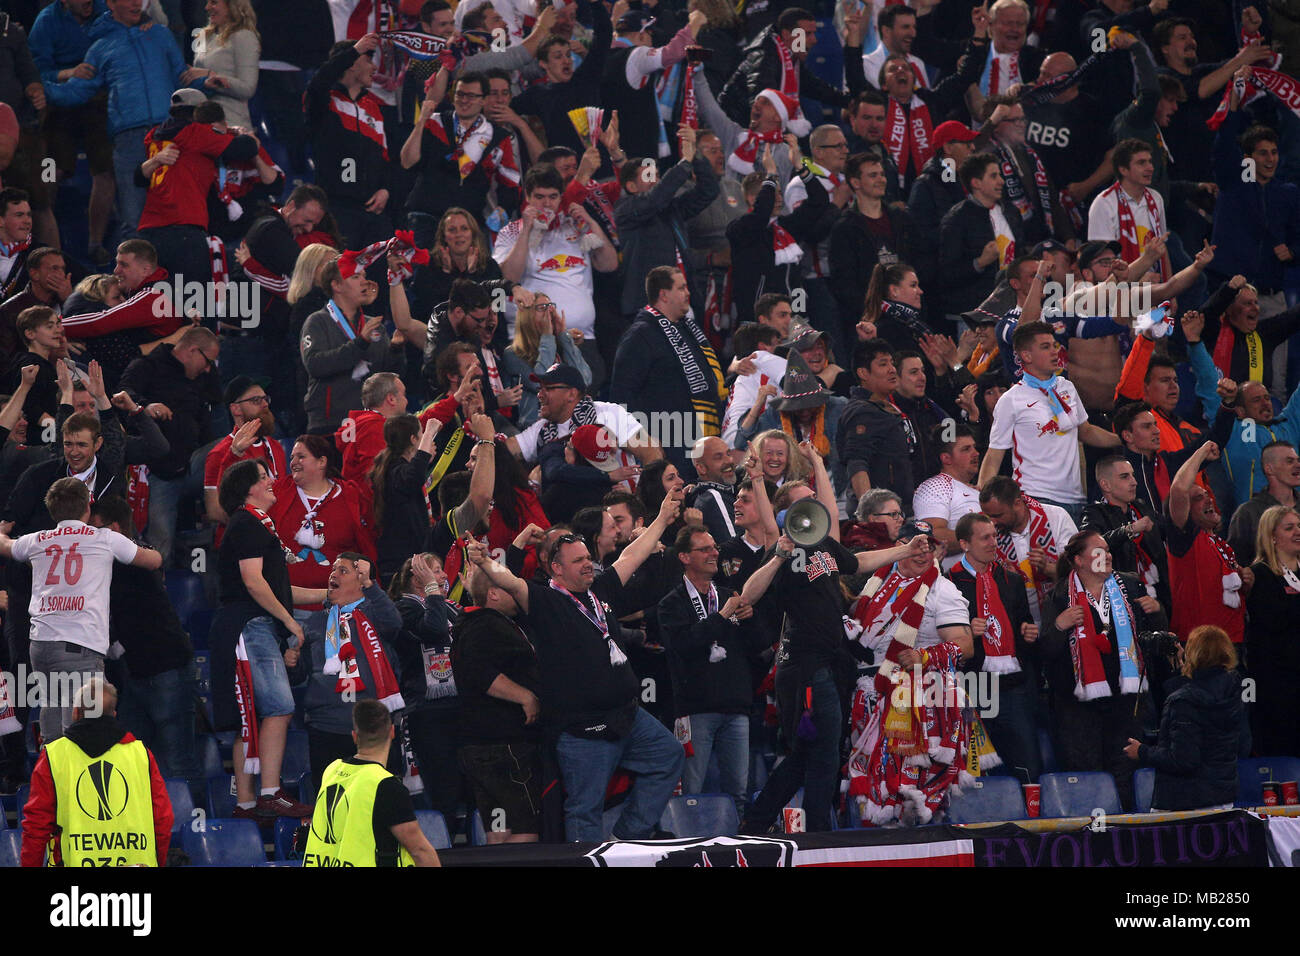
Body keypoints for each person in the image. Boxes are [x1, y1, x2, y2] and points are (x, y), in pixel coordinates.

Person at [464, 487, 685, 843]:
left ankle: (628, 839)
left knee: (669, 756)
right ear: (556, 568)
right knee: (585, 809)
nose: (588, 564)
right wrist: (484, 561)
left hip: (628, 717)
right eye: (579, 560)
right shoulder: (544, 600)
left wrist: (661, 517)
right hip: (583, 731)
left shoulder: (600, 591)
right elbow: (510, 581)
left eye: (587, 556)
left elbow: (632, 554)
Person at [739, 459, 935, 832]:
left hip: (829, 663)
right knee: (825, 752)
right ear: (786, 515)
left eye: (814, 498)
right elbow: (749, 594)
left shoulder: (824, 544)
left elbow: (856, 562)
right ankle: (818, 837)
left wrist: (903, 550)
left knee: (804, 755)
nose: (813, 506)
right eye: (803, 502)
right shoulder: (782, 552)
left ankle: (755, 820)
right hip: (804, 669)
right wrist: (779, 552)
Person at [0, 476, 160, 742]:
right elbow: (153, 560)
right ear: (87, 508)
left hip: (41, 646)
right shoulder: (104, 538)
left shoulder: (38, 539)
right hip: (79, 644)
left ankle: (51, 776)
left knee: (52, 718)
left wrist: (2, 531)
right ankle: (76, 781)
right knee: (86, 730)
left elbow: (5, 546)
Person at [211, 459, 321, 820]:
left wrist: (325, 594)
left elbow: (277, 588)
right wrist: (290, 622)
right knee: (279, 706)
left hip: (246, 623)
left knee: (254, 717)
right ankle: (270, 792)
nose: (272, 481)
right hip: (251, 625)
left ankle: (245, 803)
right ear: (249, 489)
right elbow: (254, 582)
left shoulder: (251, 524)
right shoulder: (247, 523)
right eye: (263, 477)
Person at [1039, 530, 1167, 809]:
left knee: (1125, 770)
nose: (1107, 555)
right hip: (1078, 709)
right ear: (1079, 561)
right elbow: (1045, 652)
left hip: (1125, 702)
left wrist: (1158, 611)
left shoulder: (1131, 586)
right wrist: (1060, 626)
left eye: (1108, 550)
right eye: (1099, 551)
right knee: (1087, 771)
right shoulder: (1060, 596)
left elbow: (1156, 637)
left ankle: (1128, 837)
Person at [43, 0, 185, 242]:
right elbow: (76, 92)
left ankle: (175, 277)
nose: (136, 3)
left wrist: (209, 78)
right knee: (134, 221)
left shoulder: (159, 35)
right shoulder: (100, 48)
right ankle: (139, 279)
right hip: (128, 141)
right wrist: (37, 86)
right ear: (111, 3)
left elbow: (183, 78)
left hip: (169, 135)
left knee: (180, 216)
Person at [89, 495, 201, 795]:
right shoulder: (131, 557)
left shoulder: (133, 562)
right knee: (131, 760)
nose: (91, 537)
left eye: (95, 529)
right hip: (136, 672)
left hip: (166, 670)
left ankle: (192, 828)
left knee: (178, 761)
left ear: (114, 529)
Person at [657, 524, 764, 815]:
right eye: (704, 549)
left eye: (714, 547)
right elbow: (685, 645)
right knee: (690, 790)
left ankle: (738, 850)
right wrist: (722, 615)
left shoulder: (729, 595)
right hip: (695, 709)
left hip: (736, 706)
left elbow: (755, 647)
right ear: (684, 557)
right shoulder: (671, 604)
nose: (714, 553)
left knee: (738, 792)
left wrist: (751, 618)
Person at [20, 677, 173, 867]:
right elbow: (163, 820)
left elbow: (36, 826)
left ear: (75, 713)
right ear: (114, 714)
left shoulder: (53, 756)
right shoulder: (141, 754)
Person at [979, 321, 1120, 520]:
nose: (1055, 352)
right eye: (1045, 347)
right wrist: (984, 507)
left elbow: (1086, 431)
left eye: (1054, 345)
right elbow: (994, 455)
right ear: (1026, 356)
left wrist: (1123, 439)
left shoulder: (1067, 387)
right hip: (1035, 499)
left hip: (1076, 498)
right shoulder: (1011, 400)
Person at [453, 555, 544, 843]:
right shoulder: (487, 624)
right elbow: (479, 672)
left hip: (484, 744)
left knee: (499, 830)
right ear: (493, 593)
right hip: (502, 745)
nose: (516, 590)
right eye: (508, 586)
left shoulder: (477, 623)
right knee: (526, 830)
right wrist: (526, 696)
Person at [948, 512, 1041, 781]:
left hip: (1013, 684)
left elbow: (1023, 621)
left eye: (995, 536)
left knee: (1027, 762)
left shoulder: (1011, 579)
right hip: (972, 684)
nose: (993, 543)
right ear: (965, 544)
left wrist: (1028, 632)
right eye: (985, 538)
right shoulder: (949, 583)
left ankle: (1030, 820)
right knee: (976, 766)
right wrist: (966, 631)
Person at [119, 324, 222, 562]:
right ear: (192, 351)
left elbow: (214, 416)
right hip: (159, 472)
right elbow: (122, 394)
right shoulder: (147, 366)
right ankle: (156, 592)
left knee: (234, 449)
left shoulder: (203, 377)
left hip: (195, 463)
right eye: (207, 362)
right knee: (159, 548)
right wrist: (144, 407)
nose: (208, 370)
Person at [301, 552, 405, 784]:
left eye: (343, 571)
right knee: (331, 803)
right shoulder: (315, 621)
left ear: (361, 580)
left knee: (379, 804)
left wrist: (371, 585)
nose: (333, 574)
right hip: (326, 725)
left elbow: (394, 624)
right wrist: (292, 661)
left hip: (373, 727)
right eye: (333, 570)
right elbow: (302, 674)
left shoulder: (375, 613)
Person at [1123, 624, 1248, 812]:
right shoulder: (1234, 691)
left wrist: (1142, 752)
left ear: (1193, 653)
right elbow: (1243, 744)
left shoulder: (1184, 701)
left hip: (1184, 804)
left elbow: (1183, 760)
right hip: (1222, 800)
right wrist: (1180, 672)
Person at [302, 698, 441, 867]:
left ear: (354, 735)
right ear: (391, 732)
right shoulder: (386, 785)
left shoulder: (332, 770)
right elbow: (419, 850)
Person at [300, 251, 405, 435]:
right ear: (337, 285)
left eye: (364, 276)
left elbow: (384, 374)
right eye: (356, 276)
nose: (364, 281)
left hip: (369, 421)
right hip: (329, 425)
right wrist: (360, 343)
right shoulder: (317, 322)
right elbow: (316, 365)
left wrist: (396, 350)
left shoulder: (373, 325)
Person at [304, 35, 392, 249]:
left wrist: (385, 189)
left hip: (372, 212)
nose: (373, 67)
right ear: (352, 64)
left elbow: (385, 159)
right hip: (336, 209)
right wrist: (355, 50)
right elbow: (318, 83)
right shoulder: (325, 101)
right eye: (368, 60)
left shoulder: (374, 109)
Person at [269, 434, 376, 601]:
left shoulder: (351, 496)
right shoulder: (277, 492)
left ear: (321, 462)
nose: (293, 462)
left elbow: (367, 544)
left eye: (301, 456)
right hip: (288, 604)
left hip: (339, 605)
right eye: (292, 457)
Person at [1166, 441, 1248, 644]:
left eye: (1207, 495)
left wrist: (1247, 580)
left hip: (1233, 641)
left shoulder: (1222, 545)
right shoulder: (1185, 538)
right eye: (1197, 498)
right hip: (1200, 646)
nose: (1209, 500)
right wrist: (1201, 452)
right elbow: (1178, 489)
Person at [978, 475, 1078, 628]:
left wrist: (1048, 568)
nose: (992, 522)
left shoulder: (1056, 517)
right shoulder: (984, 530)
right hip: (1016, 624)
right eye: (988, 516)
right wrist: (1006, 579)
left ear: (1017, 503)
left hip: (1060, 621)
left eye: (997, 515)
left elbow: (1080, 572)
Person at [1081, 454, 1170, 609]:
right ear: (1106, 485)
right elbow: (1091, 549)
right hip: (1119, 600)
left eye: (1133, 476)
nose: (1134, 482)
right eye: (1124, 477)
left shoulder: (1141, 507)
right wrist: (1130, 530)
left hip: (1159, 596)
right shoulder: (1093, 514)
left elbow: (1171, 530)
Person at [1246, 505, 1300, 755]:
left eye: (1298, 526)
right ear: (1272, 536)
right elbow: (1270, 622)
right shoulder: (1262, 574)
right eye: (1289, 528)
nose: (1297, 531)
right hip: (1276, 681)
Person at [839, 338, 914, 516]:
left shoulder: (886, 405)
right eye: (883, 364)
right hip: (883, 516)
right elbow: (857, 463)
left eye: (892, 363)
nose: (892, 369)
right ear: (863, 373)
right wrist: (870, 516)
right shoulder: (862, 411)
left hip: (897, 511)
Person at [913, 423, 982, 561]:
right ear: (946, 458)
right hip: (955, 578)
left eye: (974, 447)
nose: (976, 453)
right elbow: (932, 536)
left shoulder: (977, 491)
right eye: (966, 449)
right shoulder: (935, 487)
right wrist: (982, 535)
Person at [187, 0, 260, 130]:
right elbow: (195, 77)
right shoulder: (202, 36)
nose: (207, 7)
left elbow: (248, 88)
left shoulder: (244, 36)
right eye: (207, 2)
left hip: (231, 125)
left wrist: (212, 76)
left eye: (214, 3)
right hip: (201, 124)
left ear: (232, 6)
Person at [1228, 441, 1300, 566]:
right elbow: (1236, 563)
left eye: (1298, 460)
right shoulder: (1248, 513)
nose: (1298, 465)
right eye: (1289, 461)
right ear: (1269, 469)